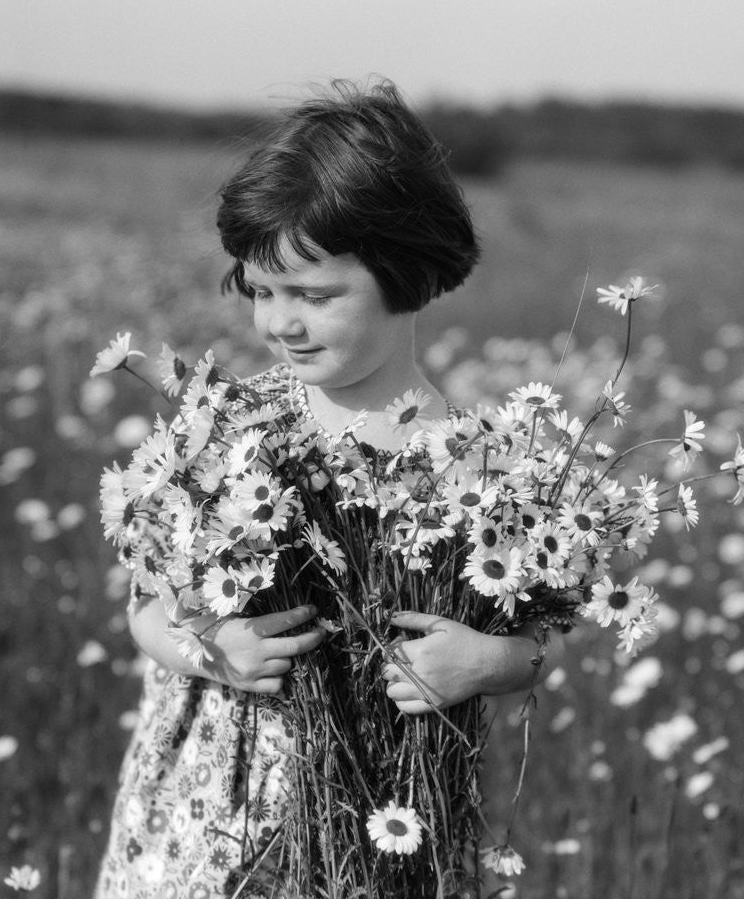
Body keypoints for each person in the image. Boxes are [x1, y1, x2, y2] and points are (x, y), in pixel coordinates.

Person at [94, 80, 542, 899]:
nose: (279, 324)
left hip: (386, 815)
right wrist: (210, 648)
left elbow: (533, 644)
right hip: (208, 811)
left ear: (406, 274)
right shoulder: (227, 426)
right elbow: (144, 609)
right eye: (261, 291)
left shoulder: (477, 465)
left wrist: (486, 661)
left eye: (314, 295)